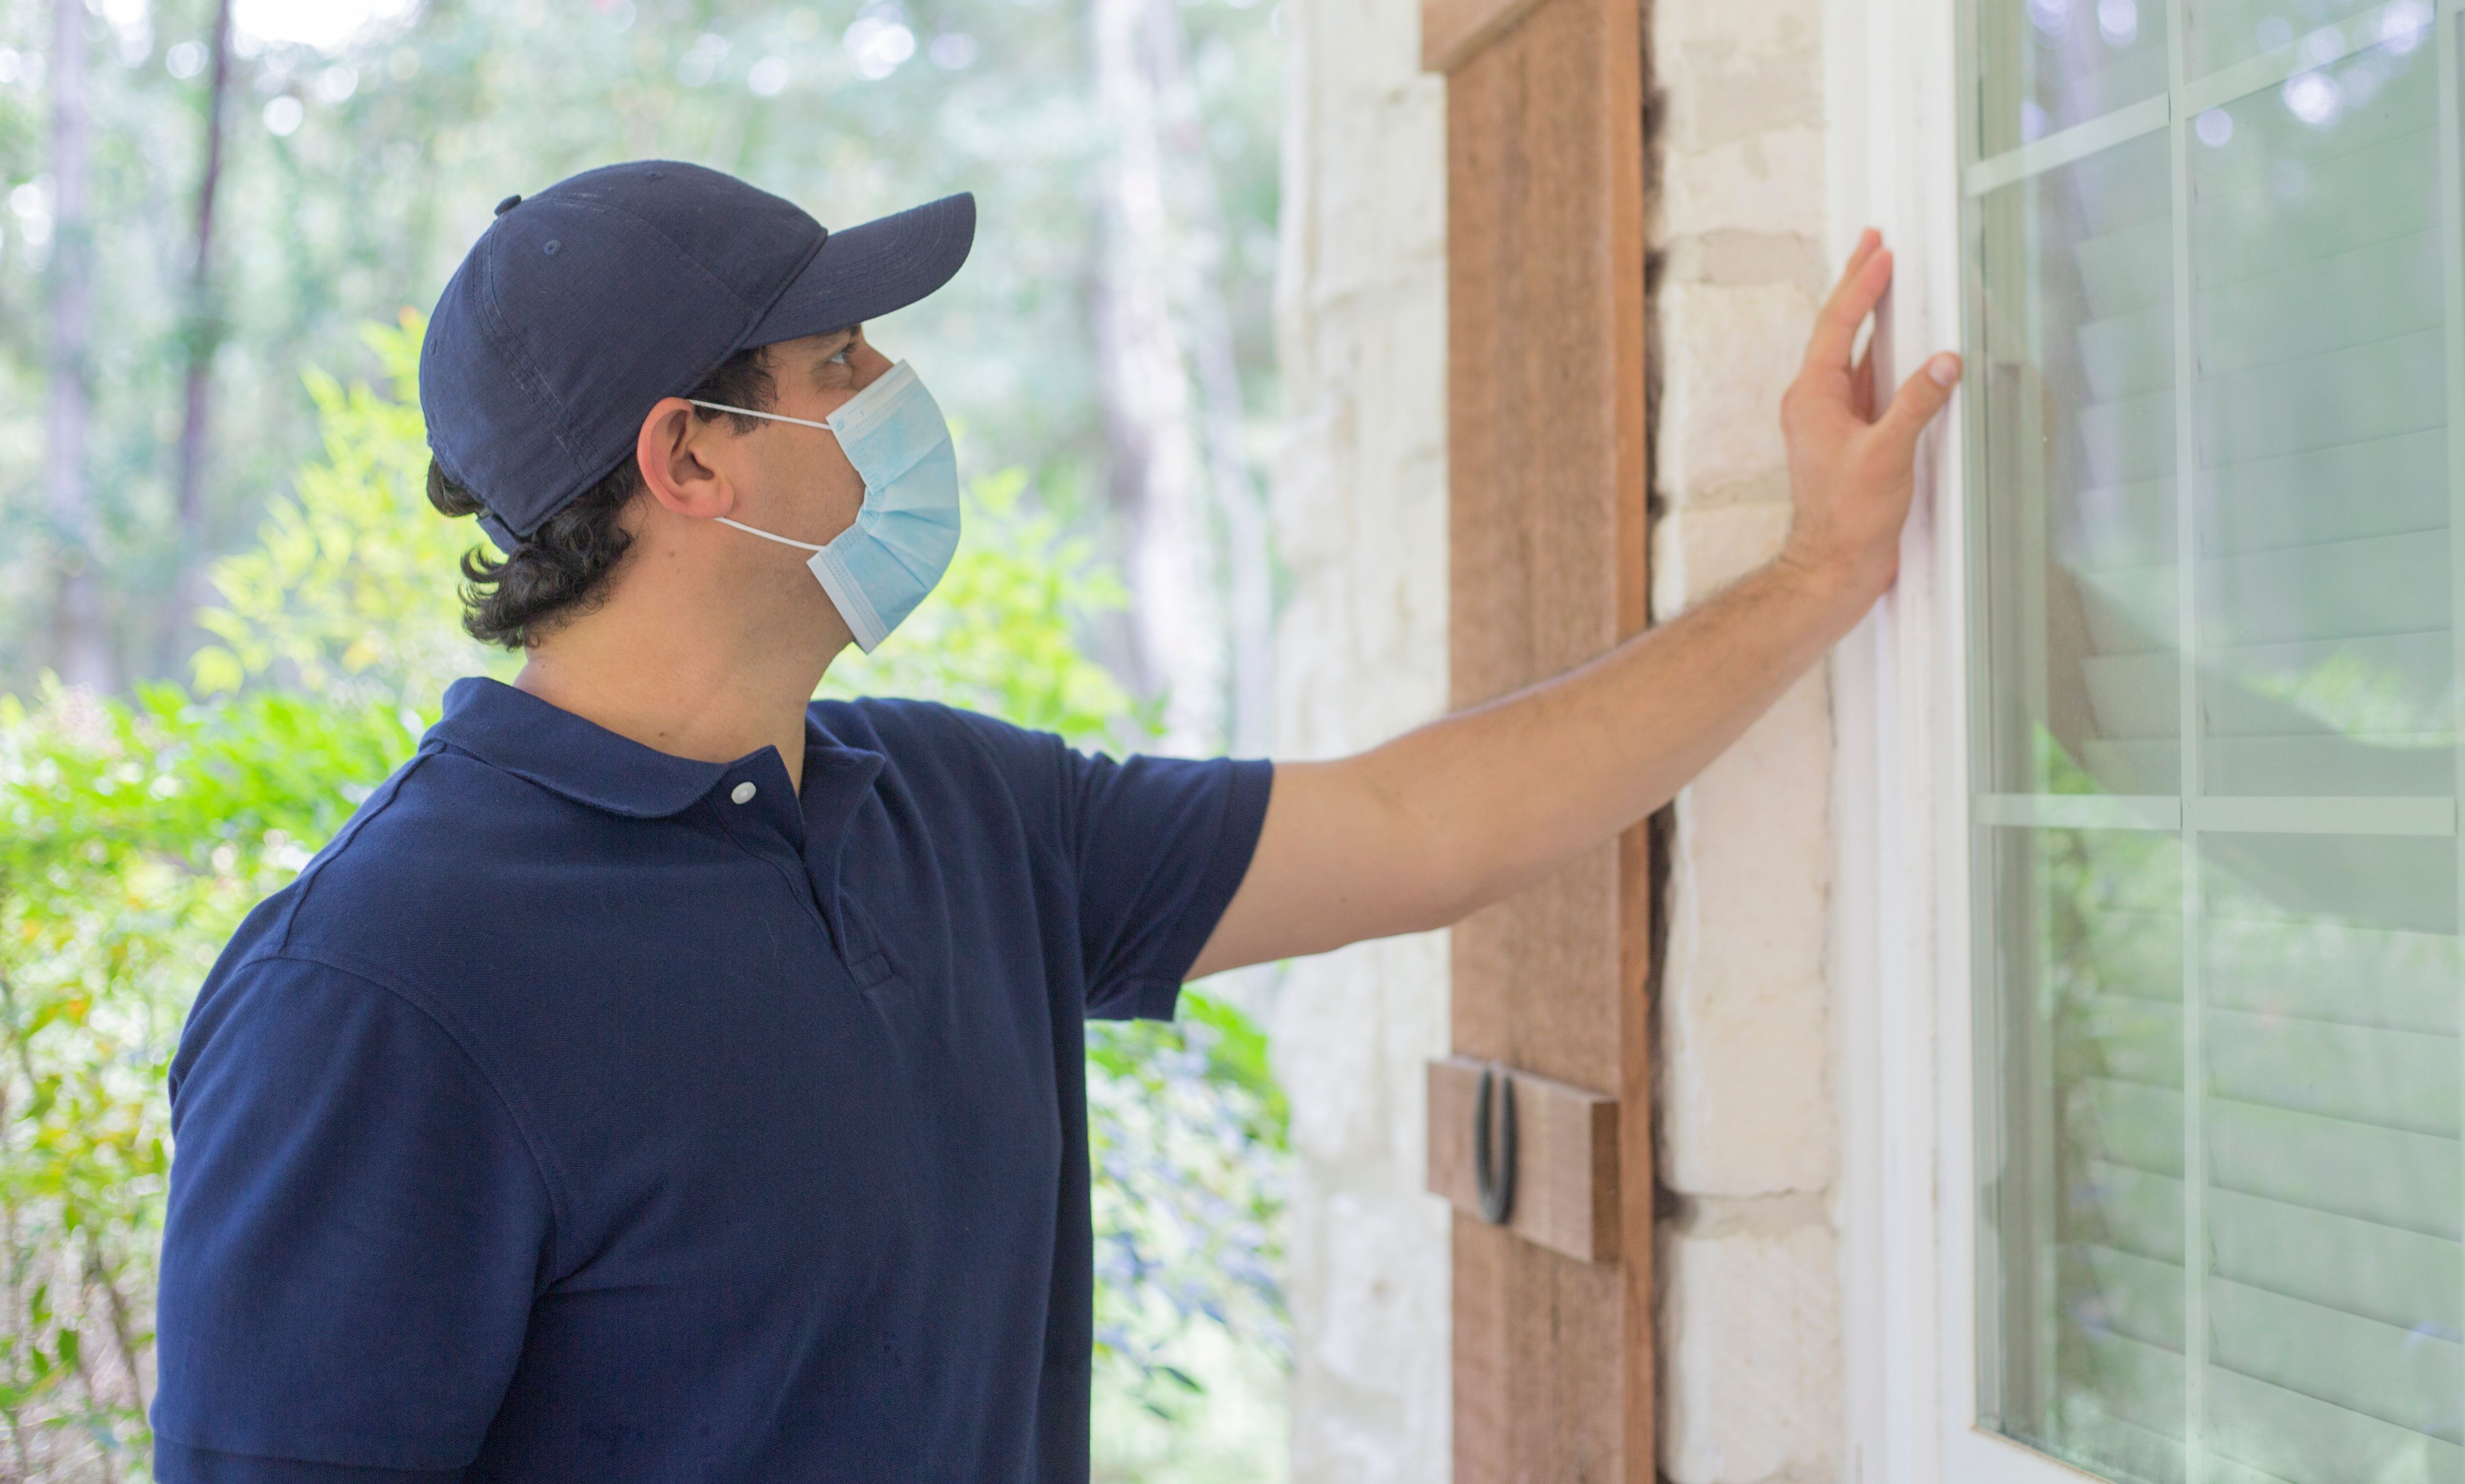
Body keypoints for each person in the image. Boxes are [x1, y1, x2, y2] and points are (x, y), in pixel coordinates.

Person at [151, 161, 1959, 1483]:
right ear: (689, 460)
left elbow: (1419, 823)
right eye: (843, 362)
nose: (902, 403)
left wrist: (1818, 575)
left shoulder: (953, 812)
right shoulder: (383, 987)